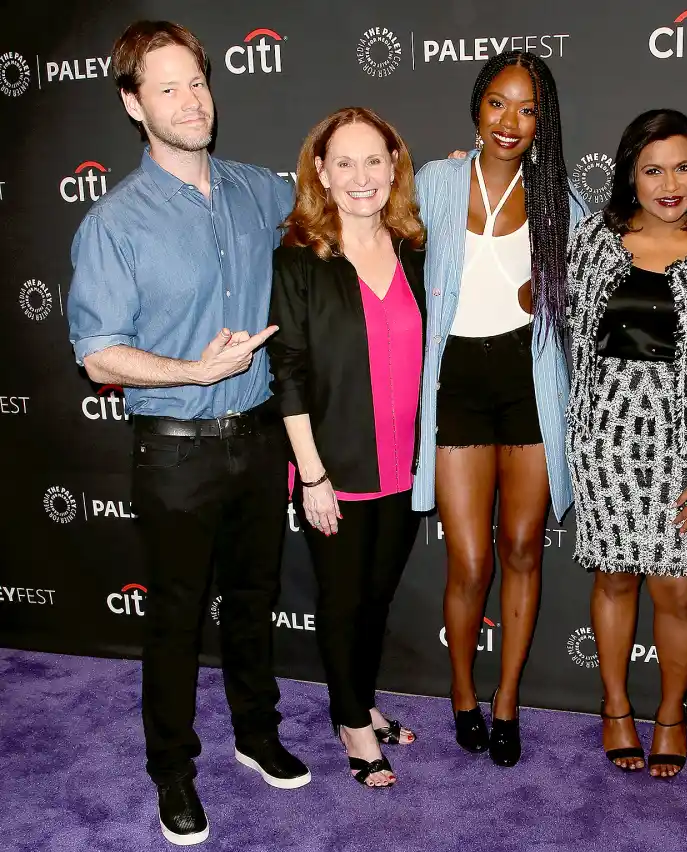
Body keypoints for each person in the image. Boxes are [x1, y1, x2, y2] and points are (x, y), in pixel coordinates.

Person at [66, 20, 309, 847]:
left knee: (253, 602)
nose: (191, 100)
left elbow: (342, 206)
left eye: (197, 82)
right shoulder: (115, 223)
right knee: (174, 619)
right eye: (167, 88)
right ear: (135, 105)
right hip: (173, 448)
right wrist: (192, 371)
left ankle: (256, 733)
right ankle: (171, 767)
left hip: (260, 439)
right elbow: (98, 355)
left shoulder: (257, 190)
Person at [412, 51, 588, 767]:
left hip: (529, 381)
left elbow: (592, 291)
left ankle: (507, 699)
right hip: (457, 383)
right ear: (476, 108)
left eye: (526, 109)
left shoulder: (561, 200)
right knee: (471, 559)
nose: (509, 121)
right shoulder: (436, 181)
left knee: (521, 549)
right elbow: (377, 248)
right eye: (497, 104)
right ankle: (461, 691)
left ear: (542, 121)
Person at [565, 109, 687, 779]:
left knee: (677, 591)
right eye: (652, 169)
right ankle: (615, 707)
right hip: (603, 438)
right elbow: (552, 314)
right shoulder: (590, 238)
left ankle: (671, 713)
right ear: (630, 176)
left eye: (683, 167)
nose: (669, 183)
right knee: (614, 577)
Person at [267, 107, 426, 789]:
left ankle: (360, 700)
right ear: (321, 174)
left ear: (395, 168)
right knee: (342, 601)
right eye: (345, 162)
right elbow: (290, 373)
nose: (361, 176)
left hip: (405, 465)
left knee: (376, 598)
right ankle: (352, 724)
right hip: (335, 467)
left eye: (374, 160)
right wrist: (312, 475)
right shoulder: (299, 260)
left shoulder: (416, 250)